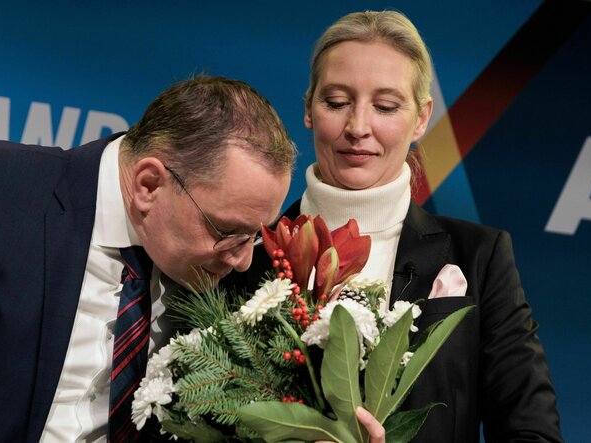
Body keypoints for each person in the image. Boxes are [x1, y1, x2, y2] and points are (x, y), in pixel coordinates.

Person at [223, 10, 563, 443]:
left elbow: (532, 433)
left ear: (421, 118)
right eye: (337, 102)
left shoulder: (480, 257)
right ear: (308, 107)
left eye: (385, 106)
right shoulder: (243, 253)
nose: (358, 128)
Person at [0, 75, 295, 442]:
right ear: (148, 185)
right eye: (226, 232)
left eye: (256, 236)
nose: (241, 260)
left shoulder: (234, 295)